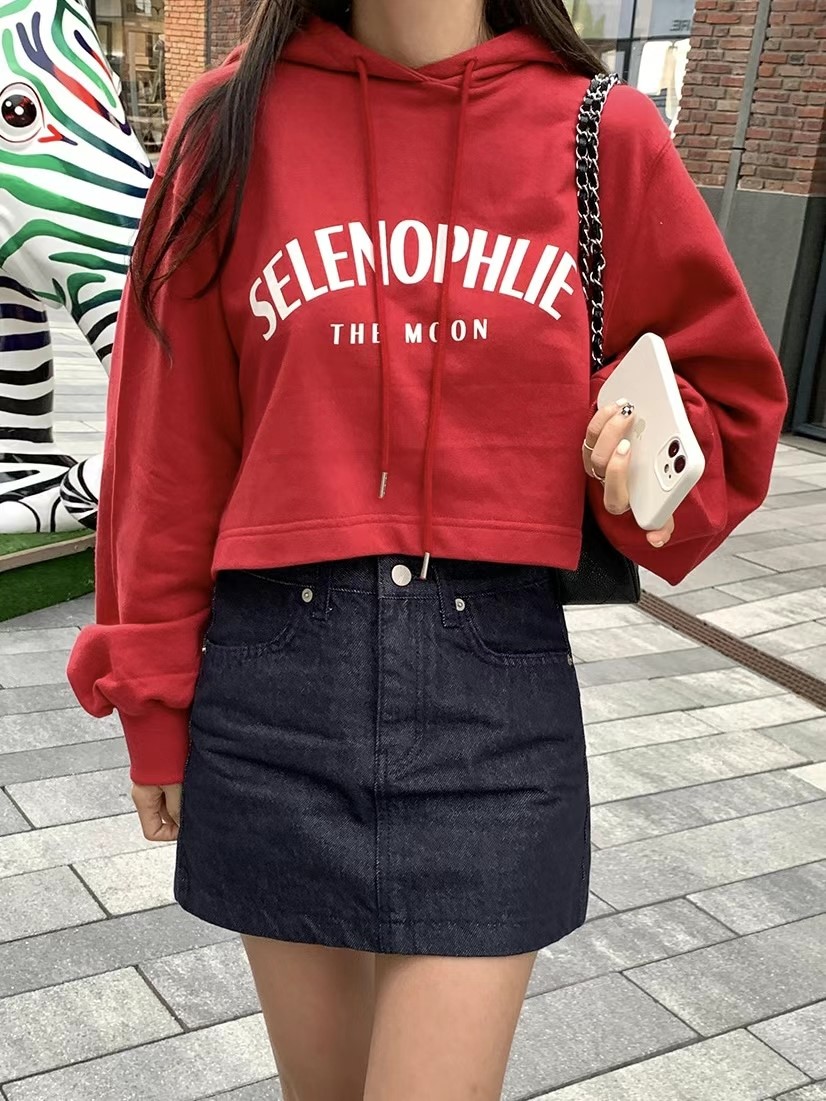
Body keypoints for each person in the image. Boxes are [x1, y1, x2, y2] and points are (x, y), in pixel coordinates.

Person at [66, 1, 788, 1097]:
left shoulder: (601, 134)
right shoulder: (229, 125)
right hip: (276, 690)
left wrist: (641, 445)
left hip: (492, 700)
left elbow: (730, 411)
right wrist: (153, 704)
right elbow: (167, 449)